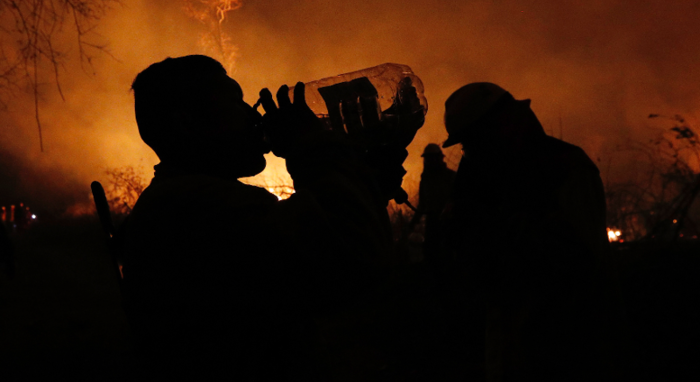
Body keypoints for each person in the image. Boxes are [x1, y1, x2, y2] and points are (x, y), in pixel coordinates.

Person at [119, 55, 414, 380]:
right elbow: (354, 258)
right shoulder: (197, 206)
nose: (253, 115)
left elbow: (336, 230)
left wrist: (372, 172)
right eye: (235, 101)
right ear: (187, 123)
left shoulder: (184, 199)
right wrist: (312, 146)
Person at [434, 82, 619, 382]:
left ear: (502, 127)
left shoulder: (566, 168)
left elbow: (580, 263)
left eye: (474, 142)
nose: (470, 153)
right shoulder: (483, 179)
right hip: (512, 352)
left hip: (570, 351)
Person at [417, 143, 456, 264]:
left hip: (449, 222)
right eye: (428, 158)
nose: (429, 161)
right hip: (432, 222)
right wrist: (412, 224)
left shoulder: (450, 177)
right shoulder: (425, 179)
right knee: (430, 255)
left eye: (432, 157)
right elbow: (422, 203)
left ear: (438, 158)